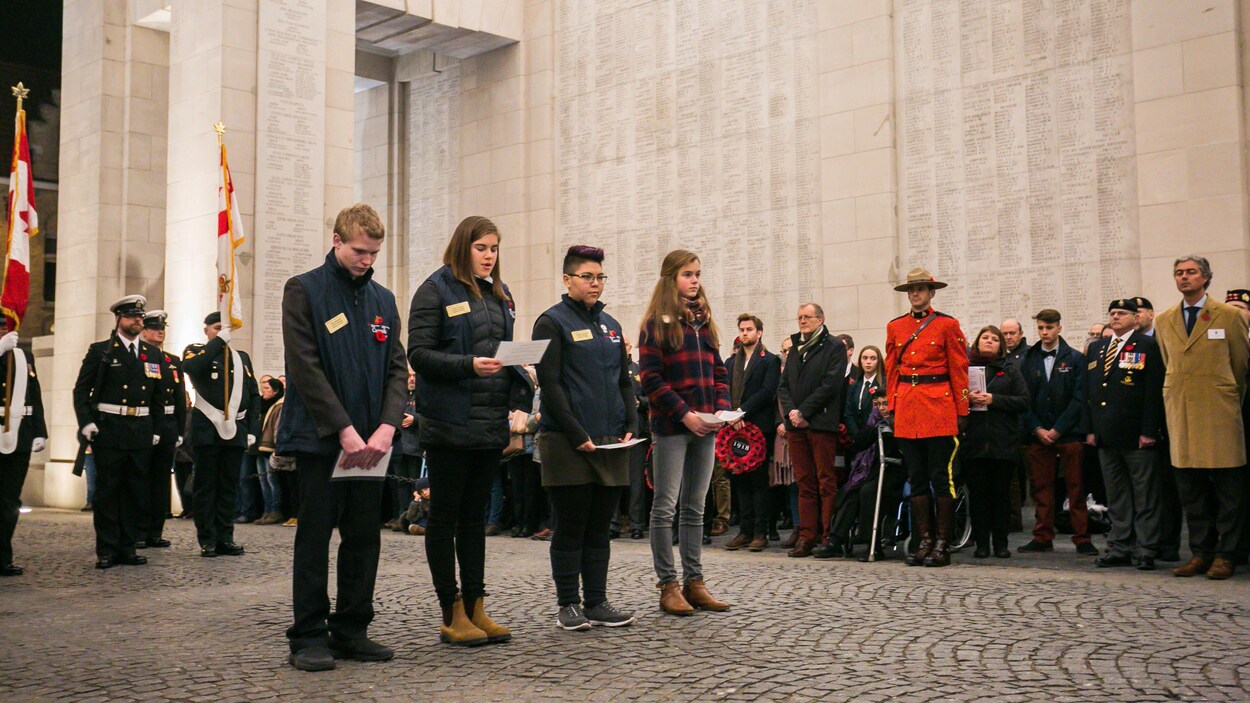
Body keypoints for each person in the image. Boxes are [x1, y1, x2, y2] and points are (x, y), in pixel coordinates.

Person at [279, 203, 408, 670]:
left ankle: (352, 629)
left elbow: (397, 367)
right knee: (314, 536)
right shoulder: (304, 290)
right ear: (337, 240)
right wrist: (344, 430)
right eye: (359, 251)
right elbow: (305, 368)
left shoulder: (383, 299)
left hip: (373, 441)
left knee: (363, 536)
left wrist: (389, 425)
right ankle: (308, 634)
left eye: (374, 253)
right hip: (322, 440)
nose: (366, 261)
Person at [408, 215, 531, 645]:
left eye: (494, 248)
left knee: (475, 520)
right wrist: (466, 365)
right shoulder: (434, 290)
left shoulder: (501, 293)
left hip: (487, 422)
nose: (489, 256)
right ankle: (451, 609)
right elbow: (419, 354)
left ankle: (477, 605)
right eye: (482, 248)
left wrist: (520, 397)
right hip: (447, 422)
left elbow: (505, 355)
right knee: (445, 517)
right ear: (464, 247)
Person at [532, 245, 638, 631]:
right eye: (587, 277)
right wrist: (577, 434)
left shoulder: (610, 324)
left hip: (610, 441)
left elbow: (623, 379)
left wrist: (632, 421)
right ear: (567, 279)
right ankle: (568, 604)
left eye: (600, 277)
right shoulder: (551, 322)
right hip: (568, 443)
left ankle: (596, 601)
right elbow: (551, 385)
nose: (595, 284)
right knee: (571, 525)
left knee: (600, 527)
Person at [639, 249, 732, 616]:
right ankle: (668, 585)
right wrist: (685, 414)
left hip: (706, 426)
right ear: (671, 279)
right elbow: (651, 380)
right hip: (673, 427)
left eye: (697, 274)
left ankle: (695, 582)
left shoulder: (704, 323)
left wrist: (721, 409)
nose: (695, 280)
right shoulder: (655, 325)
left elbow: (719, 373)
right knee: (665, 508)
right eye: (687, 274)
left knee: (695, 508)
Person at [1155, 256, 1249, 580]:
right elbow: (1169, 361)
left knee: (1229, 492)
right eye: (1179, 273)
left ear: (1206, 277)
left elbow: (1240, 365)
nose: (1184, 277)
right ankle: (1200, 552)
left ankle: (1227, 553)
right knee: (1191, 492)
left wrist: (1227, 396)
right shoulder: (1164, 319)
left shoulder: (1229, 315)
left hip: (1219, 412)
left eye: (1191, 272)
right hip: (1182, 413)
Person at [885, 267, 970, 568]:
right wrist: (893, 407)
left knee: (940, 477)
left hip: (939, 408)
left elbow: (959, 370)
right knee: (916, 477)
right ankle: (924, 541)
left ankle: (943, 543)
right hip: (908, 407)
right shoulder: (895, 327)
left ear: (932, 292)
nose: (915, 294)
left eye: (921, 289)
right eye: (911, 290)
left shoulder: (947, 325)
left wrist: (962, 410)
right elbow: (892, 370)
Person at [72, 295, 163, 569]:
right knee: (108, 492)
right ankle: (107, 549)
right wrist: (86, 422)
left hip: (140, 431)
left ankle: (128, 546)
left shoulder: (152, 354)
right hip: (109, 430)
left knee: (136, 491)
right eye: (131, 316)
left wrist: (156, 428)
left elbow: (158, 397)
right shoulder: (102, 351)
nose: (137, 321)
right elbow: (81, 390)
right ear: (118, 319)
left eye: (139, 317)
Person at [1084, 299, 1166, 571]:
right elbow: (1092, 394)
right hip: (1107, 435)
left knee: (1145, 496)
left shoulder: (1148, 346)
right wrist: (1092, 429)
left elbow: (1153, 392)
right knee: (1117, 496)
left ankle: (1146, 548)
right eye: (1112, 313)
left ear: (1135, 318)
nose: (1115, 317)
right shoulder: (1098, 348)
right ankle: (1119, 545)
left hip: (1136, 435)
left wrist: (1148, 431)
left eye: (1122, 313)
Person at [182, 311, 260, 558]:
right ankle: (208, 539)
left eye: (223, 328)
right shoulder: (196, 350)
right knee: (206, 488)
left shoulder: (241, 358)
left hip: (235, 431)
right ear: (206, 330)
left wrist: (252, 430)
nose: (220, 331)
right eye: (216, 328)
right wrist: (219, 341)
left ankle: (226, 536)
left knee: (229, 487)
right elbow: (191, 367)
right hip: (207, 431)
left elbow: (254, 395)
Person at [1019, 308, 1094, 555]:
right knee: (1042, 488)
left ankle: (1082, 538)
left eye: (1049, 328)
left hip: (1069, 433)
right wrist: (1037, 428)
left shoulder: (1074, 358)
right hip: (1038, 433)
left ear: (1059, 328)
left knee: (1076, 487)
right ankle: (1042, 536)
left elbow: (1080, 398)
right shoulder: (1029, 359)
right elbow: (1024, 399)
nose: (1044, 332)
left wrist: (1059, 429)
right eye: (1040, 328)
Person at [777, 303, 848, 558]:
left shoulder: (834, 347)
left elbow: (831, 385)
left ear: (821, 318)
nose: (802, 321)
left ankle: (828, 536)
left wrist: (804, 412)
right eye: (799, 318)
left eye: (807, 317)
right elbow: (783, 385)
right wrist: (791, 413)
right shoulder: (795, 348)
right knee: (804, 482)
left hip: (821, 423)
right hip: (797, 426)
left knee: (825, 481)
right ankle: (807, 537)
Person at [962, 326, 1028, 559]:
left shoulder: (1010, 369)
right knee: (979, 497)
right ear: (977, 342)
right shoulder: (965, 368)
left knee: (1001, 496)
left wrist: (994, 399)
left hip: (1002, 442)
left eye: (994, 339)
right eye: (984, 338)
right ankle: (981, 544)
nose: (989, 341)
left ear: (1001, 345)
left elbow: (1023, 401)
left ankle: (1001, 543)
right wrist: (966, 399)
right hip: (974, 443)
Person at [723, 313, 780, 553]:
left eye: (749, 329)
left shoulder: (770, 360)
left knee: (758, 481)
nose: (745, 333)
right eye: (742, 329)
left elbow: (768, 392)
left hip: (758, 426)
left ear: (759, 333)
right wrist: (730, 415)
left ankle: (760, 531)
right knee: (739, 481)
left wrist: (742, 411)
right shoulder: (730, 362)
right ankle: (744, 531)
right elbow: (723, 390)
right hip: (734, 429)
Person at [136, 310, 186, 549]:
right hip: (145, 423)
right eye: (154, 327)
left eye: (162, 328)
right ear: (143, 331)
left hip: (167, 425)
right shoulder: (139, 357)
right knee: (141, 478)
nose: (160, 331)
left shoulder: (172, 361)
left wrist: (179, 429)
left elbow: (179, 397)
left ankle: (155, 530)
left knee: (160, 480)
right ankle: (139, 530)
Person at [0, 329, 47, 576]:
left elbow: (35, 394)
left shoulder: (23, 356)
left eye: (4, 328)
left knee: (10, 500)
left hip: (19, 434)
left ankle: (3, 558)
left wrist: (40, 431)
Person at [252, 377, 285, 525]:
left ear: (276, 391)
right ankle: (266, 510)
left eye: (267, 389)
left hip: (271, 447)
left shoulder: (280, 405)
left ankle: (275, 511)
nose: (263, 391)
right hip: (260, 446)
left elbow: (278, 429)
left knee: (272, 481)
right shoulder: (261, 405)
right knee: (263, 481)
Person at [843, 346, 882, 436]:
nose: (868, 362)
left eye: (873, 359)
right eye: (865, 358)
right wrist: (856, 434)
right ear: (860, 360)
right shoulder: (854, 385)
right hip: (856, 435)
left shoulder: (883, 384)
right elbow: (848, 412)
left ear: (878, 361)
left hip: (876, 434)